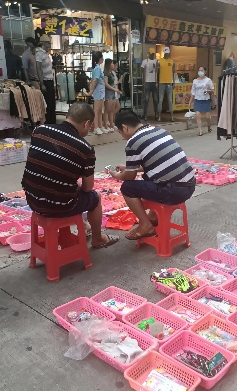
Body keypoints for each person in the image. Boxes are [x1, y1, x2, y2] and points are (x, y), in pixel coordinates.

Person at [21, 103, 119, 249]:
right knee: (95, 197)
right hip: (58, 206)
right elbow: (88, 188)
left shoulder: (40, 130)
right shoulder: (85, 148)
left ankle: (84, 226)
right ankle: (98, 239)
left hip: (32, 199)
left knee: (71, 187)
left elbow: (47, 165)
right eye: (91, 125)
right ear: (86, 123)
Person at [109, 111, 195, 240]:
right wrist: (130, 169)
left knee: (127, 188)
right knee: (149, 177)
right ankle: (154, 217)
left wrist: (117, 175)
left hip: (173, 191)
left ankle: (145, 225)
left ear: (125, 127)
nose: (122, 136)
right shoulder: (158, 130)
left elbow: (129, 177)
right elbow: (155, 163)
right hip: (190, 185)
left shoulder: (133, 141)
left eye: (120, 132)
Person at [189, 66, 214, 136]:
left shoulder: (208, 80)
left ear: (205, 72)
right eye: (199, 70)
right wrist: (190, 101)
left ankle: (209, 126)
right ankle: (200, 131)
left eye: (202, 70)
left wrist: (207, 91)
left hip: (206, 99)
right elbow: (193, 92)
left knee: (207, 116)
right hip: (197, 99)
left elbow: (212, 90)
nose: (200, 72)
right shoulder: (195, 81)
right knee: (198, 115)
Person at [35, 37, 56, 124]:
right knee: (48, 103)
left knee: (52, 103)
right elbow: (38, 69)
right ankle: (48, 122)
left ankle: (52, 122)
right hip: (45, 81)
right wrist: (42, 83)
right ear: (44, 43)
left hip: (50, 80)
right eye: (48, 43)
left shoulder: (46, 54)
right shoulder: (39, 54)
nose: (49, 45)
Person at [88, 51, 106, 135]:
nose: (103, 59)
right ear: (99, 59)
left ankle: (100, 126)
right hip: (98, 91)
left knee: (100, 110)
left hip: (101, 91)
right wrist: (91, 90)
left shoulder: (98, 68)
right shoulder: (97, 69)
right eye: (102, 57)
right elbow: (95, 80)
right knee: (97, 110)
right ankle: (96, 127)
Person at [157, 47, 175, 122]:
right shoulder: (159, 61)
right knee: (160, 100)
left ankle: (172, 117)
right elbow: (157, 73)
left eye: (168, 53)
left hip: (169, 83)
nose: (167, 54)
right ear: (164, 53)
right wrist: (157, 82)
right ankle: (159, 116)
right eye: (166, 53)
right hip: (161, 83)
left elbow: (174, 73)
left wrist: (174, 82)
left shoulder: (172, 61)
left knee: (170, 100)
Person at [103, 59, 122, 132]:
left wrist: (116, 89)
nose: (112, 65)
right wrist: (114, 89)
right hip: (108, 92)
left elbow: (112, 84)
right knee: (107, 110)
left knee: (111, 110)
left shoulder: (111, 73)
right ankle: (105, 125)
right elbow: (106, 84)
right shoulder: (106, 73)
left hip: (113, 92)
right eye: (111, 63)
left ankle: (111, 124)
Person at [141, 48, 158, 121]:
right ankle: (145, 115)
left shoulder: (156, 61)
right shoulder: (145, 61)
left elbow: (157, 71)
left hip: (154, 82)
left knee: (155, 99)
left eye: (153, 54)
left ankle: (156, 115)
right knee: (146, 99)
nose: (152, 55)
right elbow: (142, 71)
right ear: (148, 53)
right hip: (147, 82)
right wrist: (143, 80)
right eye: (151, 54)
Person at [111, 60, 122, 127]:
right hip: (114, 92)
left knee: (117, 107)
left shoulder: (114, 73)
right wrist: (119, 81)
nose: (117, 67)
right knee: (116, 107)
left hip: (116, 92)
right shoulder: (111, 74)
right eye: (116, 65)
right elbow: (113, 84)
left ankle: (113, 121)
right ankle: (111, 120)